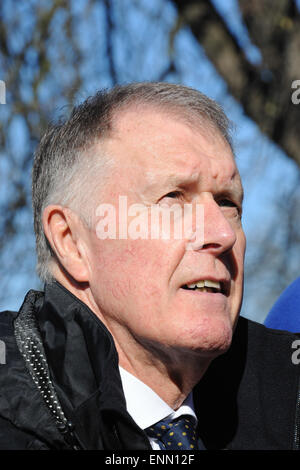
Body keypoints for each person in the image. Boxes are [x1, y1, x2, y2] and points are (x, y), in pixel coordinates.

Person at [0, 82, 299, 451]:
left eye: (227, 203)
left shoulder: (288, 398)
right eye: (173, 197)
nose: (222, 234)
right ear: (71, 242)